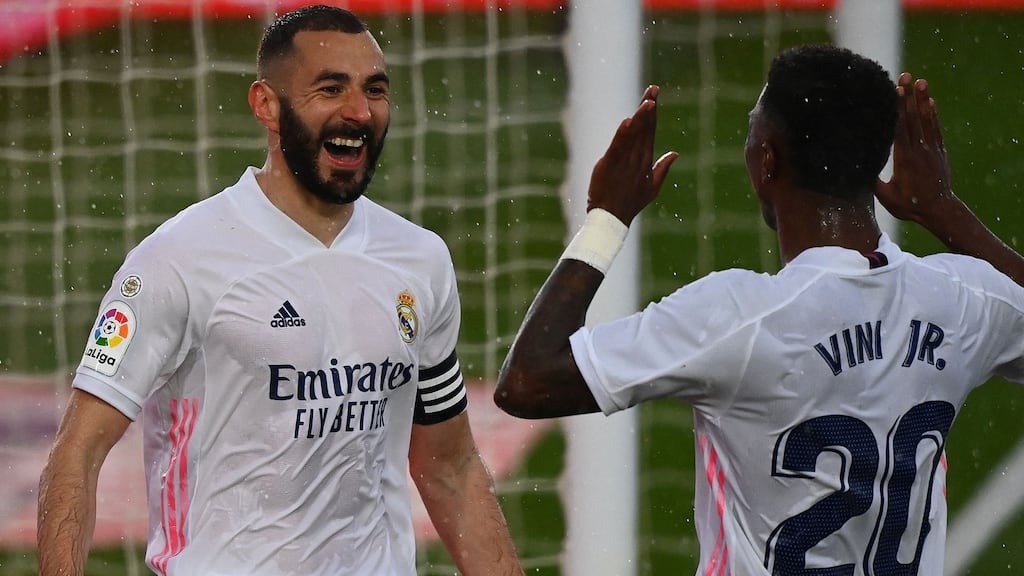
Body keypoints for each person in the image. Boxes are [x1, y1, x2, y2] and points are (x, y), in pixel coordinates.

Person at [494, 44, 1024, 575]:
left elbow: (527, 379)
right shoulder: (962, 301)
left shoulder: (738, 319)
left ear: (766, 160)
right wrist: (944, 210)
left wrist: (606, 218)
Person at [37, 5, 522, 575]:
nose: (359, 112)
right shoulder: (178, 260)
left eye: (375, 89)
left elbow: (452, 467)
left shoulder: (420, 260)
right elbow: (77, 453)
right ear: (266, 105)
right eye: (330, 89)